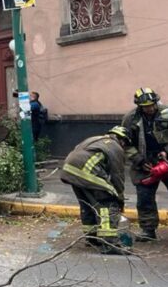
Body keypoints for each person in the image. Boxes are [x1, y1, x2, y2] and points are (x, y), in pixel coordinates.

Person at [60, 126, 130, 254]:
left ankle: (92, 237)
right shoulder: (115, 147)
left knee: (88, 205)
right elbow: (117, 175)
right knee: (107, 204)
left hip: (70, 171)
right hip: (86, 173)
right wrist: (119, 199)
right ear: (123, 141)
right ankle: (110, 244)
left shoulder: (97, 139)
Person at [122, 87, 168, 242]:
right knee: (144, 197)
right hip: (144, 162)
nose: (150, 108)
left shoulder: (166, 113)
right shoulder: (130, 119)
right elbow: (125, 143)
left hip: (165, 159)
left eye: (152, 104)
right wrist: (139, 160)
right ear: (139, 106)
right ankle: (148, 230)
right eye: (146, 106)